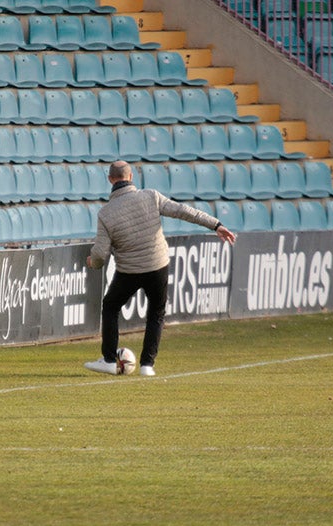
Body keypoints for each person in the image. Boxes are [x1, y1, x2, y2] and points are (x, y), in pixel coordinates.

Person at [84, 161, 236, 377]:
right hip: (157, 265)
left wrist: (93, 263)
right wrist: (216, 225)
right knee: (156, 312)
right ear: (131, 177)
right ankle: (147, 365)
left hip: (130, 270)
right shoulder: (151, 196)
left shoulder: (106, 213)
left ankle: (109, 359)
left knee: (110, 306)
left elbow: (100, 254)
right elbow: (183, 211)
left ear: (110, 179)